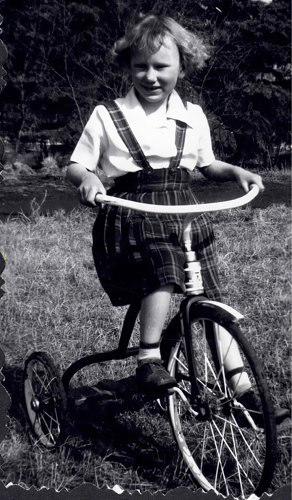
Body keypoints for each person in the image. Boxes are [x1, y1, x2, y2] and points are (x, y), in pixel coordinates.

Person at [67, 14, 289, 423]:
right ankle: (149, 357)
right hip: (133, 214)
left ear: (181, 67)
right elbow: (76, 165)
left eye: (161, 67)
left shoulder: (192, 116)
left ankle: (240, 387)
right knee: (165, 266)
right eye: (140, 66)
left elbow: (207, 165)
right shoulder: (107, 115)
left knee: (211, 295)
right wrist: (89, 179)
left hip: (182, 211)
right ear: (128, 67)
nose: (150, 76)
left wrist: (234, 172)